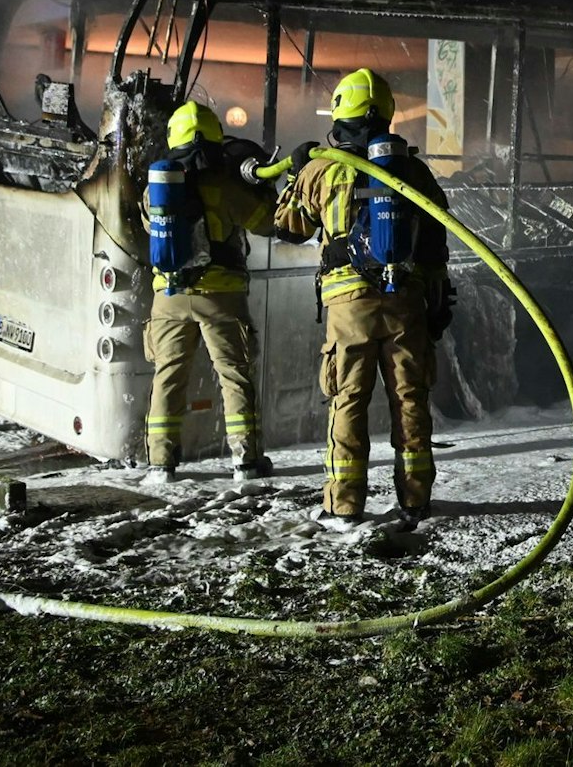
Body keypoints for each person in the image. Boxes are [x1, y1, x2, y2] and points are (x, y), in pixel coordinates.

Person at [275, 68, 451, 525]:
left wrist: (295, 172)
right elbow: (436, 240)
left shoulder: (321, 168)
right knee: (410, 399)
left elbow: (288, 228)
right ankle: (416, 500)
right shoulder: (412, 170)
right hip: (405, 300)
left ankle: (343, 505)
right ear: (387, 112)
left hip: (347, 304)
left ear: (340, 114)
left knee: (348, 399)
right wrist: (435, 299)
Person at [142, 102, 276, 485]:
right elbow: (267, 222)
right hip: (221, 294)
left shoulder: (156, 190)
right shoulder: (224, 186)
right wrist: (261, 186)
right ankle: (246, 462)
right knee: (234, 375)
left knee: (168, 376)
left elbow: (150, 231)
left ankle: (160, 464)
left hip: (168, 295)